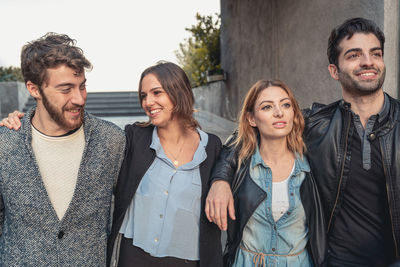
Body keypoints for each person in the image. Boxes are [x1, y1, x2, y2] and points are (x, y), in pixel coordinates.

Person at [206, 17, 400, 266]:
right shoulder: (317, 124)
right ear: (334, 71)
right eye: (354, 55)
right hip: (333, 260)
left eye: (376, 53)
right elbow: (245, 135)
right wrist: (221, 180)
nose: (368, 61)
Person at [0, 33, 126, 266]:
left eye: (82, 86)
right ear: (34, 89)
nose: (79, 98)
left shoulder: (111, 140)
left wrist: (218, 178)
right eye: (66, 89)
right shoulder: (5, 144)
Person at [107, 62, 223, 267]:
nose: (148, 102)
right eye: (143, 95)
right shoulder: (134, 137)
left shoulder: (212, 146)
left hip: (187, 260)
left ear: (178, 92)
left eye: (156, 92)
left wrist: (222, 181)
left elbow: (241, 153)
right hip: (134, 256)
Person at [208, 79, 326, 266]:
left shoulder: (312, 166)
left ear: (294, 113)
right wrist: (219, 181)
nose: (279, 113)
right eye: (267, 107)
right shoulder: (238, 167)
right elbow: (230, 147)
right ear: (251, 119)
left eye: (286, 105)